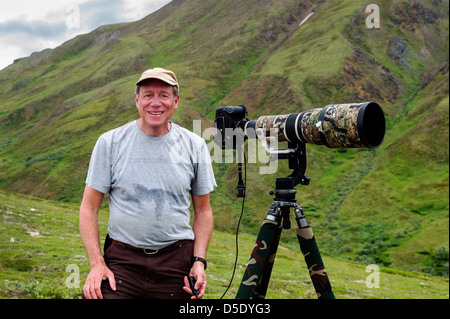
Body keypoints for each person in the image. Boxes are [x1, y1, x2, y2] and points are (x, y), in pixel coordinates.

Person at [79, 67, 216, 299]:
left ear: (176, 101)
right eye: (148, 95)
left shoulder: (195, 145)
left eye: (163, 95)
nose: (156, 103)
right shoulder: (110, 142)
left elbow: (203, 211)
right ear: (137, 100)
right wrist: (96, 263)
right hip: (122, 262)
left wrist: (199, 261)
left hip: (176, 262)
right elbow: (88, 208)